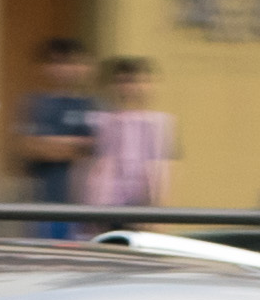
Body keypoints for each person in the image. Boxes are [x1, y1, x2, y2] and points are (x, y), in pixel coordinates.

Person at [81, 58, 175, 221]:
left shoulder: (160, 123)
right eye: (123, 82)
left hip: (144, 205)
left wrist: (159, 208)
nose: (131, 88)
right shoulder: (98, 121)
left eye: (139, 81)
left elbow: (165, 168)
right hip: (104, 205)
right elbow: (87, 167)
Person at [20, 38, 97, 236]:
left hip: (86, 205)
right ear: (44, 67)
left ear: (85, 66)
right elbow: (28, 147)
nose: (65, 69)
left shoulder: (94, 105)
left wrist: (51, 142)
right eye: (57, 62)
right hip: (44, 203)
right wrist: (77, 145)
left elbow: (99, 149)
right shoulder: (36, 103)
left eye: (72, 62)